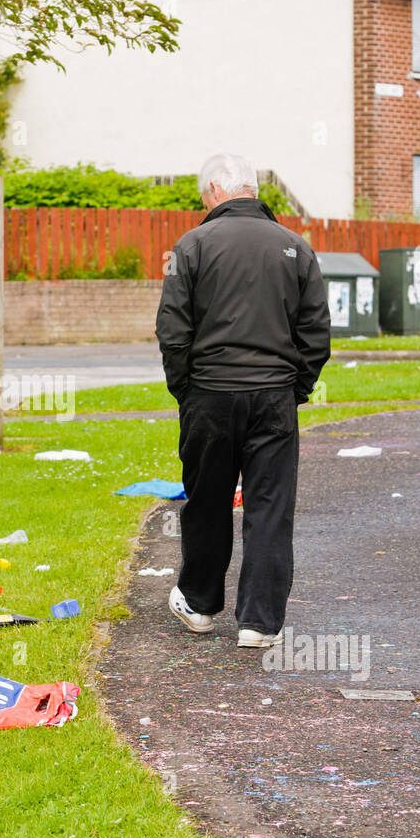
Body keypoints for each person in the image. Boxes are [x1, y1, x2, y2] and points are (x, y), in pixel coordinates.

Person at [155, 152, 330, 648]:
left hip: (210, 396)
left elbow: (172, 331)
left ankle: (200, 604)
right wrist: (295, 388)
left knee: (208, 501)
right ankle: (259, 622)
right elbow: (315, 333)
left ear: (214, 191)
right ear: (252, 190)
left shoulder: (191, 246)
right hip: (274, 396)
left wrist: (186, 391)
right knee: (270, 506)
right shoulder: (296, 247)